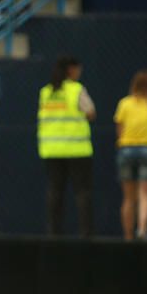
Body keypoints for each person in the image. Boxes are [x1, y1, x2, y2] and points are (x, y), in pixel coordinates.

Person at [38, 55, 95, 237]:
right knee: (82, 193)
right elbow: (91, 112)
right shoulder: (76, 89)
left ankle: (54, 233)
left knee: (55, 192)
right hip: (77, 149)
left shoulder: (46, 92)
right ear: (71, 70)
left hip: (52, 150)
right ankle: (86, 233)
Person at [113, 70, 147, 240]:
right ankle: (142, 228)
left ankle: (128, 235)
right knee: (145, 194)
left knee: (128, 198)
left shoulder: (125, 103)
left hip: (126, 148)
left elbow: (120, 129)